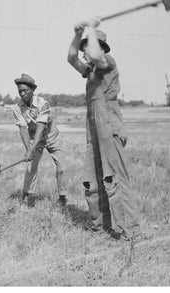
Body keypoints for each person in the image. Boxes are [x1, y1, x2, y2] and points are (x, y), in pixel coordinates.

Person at [67, 18, 140, 240]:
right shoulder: (89, 71)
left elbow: (97, 56)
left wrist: (90, 30)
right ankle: (101, 227)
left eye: (85, 49)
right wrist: (78, 33)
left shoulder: (107, 61)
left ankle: (130, 230)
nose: (83, 54)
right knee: (92, 179)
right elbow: (70, 58)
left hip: (108, 122)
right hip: (93, 126)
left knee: (114, 177)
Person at [12, 73, 67, 207]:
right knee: (31, 167)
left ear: (32, 90)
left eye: (25, 90)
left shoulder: (43, 103)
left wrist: (31, 149)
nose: (23, 94)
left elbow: (41, 128)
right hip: (34, 138)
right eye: (20, 91)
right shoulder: (17, 108)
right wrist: (28, 150)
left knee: (61, 167)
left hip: (50, 136)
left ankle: (62, 196)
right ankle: (27, 197)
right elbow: (23, 129)